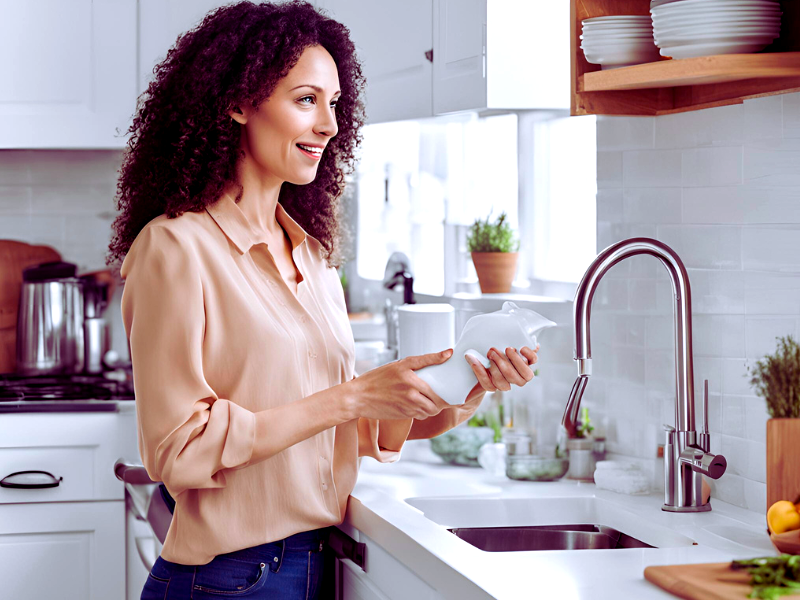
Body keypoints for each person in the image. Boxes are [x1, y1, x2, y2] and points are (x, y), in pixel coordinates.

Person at [107, 1, 539, 598]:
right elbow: (177, 452)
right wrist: (352, 395)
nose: (330, 125)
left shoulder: (308, 255)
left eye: (334, 103)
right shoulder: (175, 248)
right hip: (229, 579)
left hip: (309, 566)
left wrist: (462, 388)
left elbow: (334, 433)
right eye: (306, 99)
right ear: (236, 103)